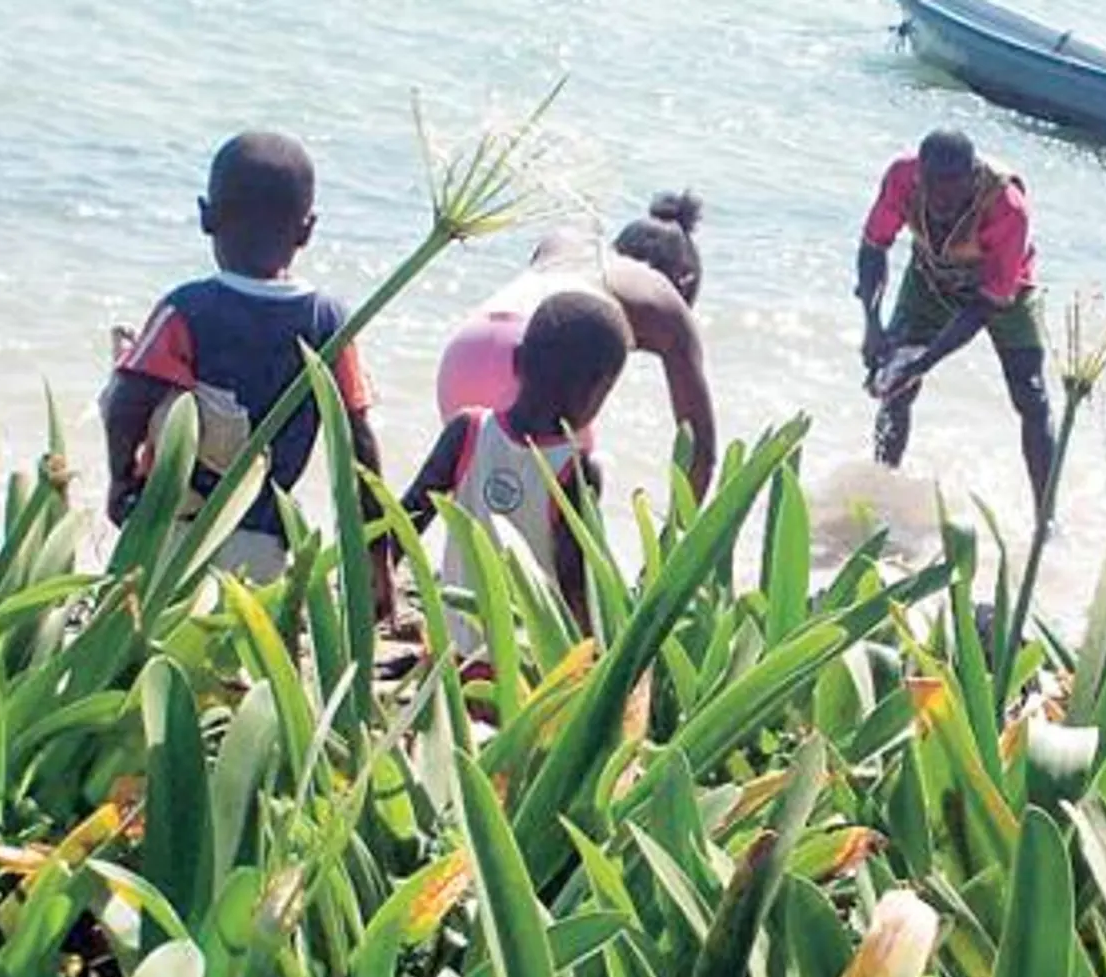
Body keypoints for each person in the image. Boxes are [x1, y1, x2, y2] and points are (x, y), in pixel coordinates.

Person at [100, 131, 391, 608]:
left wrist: (120, 479)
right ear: (307, 229)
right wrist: (375, 559)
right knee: (233, 665)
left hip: (174, 527)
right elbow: (359, 445)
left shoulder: (186, 310)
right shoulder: (328, 322)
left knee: (151, 653)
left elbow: (128, 400)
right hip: (265, 540)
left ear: (206, 215)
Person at [434, 191, 717, 498]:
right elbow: (698, 447)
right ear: (683, 280)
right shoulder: (664, 294)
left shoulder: (571, 248)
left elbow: (567, 226)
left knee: (477, 503)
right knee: (563, 514)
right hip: (532, 369)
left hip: (465, 353)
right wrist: (679, 539)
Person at [402, 289, 626, 643]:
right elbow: (575, 579)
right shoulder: (576, 469)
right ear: (599, 388)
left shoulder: (467, 431)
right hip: (528, 663)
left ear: (517, 360)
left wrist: (380, 578)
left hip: (454, 647)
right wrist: (593, 647)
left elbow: (408, 517)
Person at [854, 129, 1055, 515]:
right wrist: (872, 324)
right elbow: (873, 247)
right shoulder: (901, 178)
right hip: (931, 276)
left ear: (972, 178)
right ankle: (882, 491)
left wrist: (927, 360)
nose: (943, 199)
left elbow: (989, 302)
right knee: (895, 386)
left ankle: (1045, 520)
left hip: (1005, 290)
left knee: (1031, 397)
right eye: (934, 187)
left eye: (953, 188)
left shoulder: (1007, 207)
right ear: (920, 178)